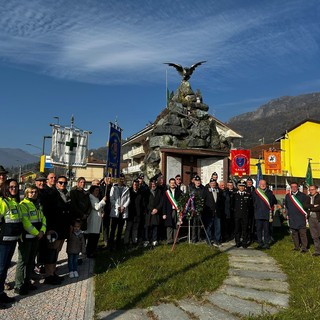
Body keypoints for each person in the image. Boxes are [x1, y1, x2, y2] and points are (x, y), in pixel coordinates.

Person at [14, 185, 46, 295]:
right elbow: (26, 222)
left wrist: (42, 231)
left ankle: (27, 283)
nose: (33, 194)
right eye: (31, 192)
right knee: (23, 261)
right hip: (27, 238)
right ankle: (18, 285)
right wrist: (37, 233)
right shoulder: (23, 205)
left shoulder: (38, 205)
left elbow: (43, 219)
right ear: (27, 193)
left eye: (35, 192)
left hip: (36, 238)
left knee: (31, 261)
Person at [43, 175, 71, 285]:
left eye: (65, 183)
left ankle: (53, 272)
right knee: (51, 251)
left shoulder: (66, 195)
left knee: (57, 251)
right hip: (54, 228)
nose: (63, 184)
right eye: (60, 182)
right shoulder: (51, 193)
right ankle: (48, 275)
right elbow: (47, 212)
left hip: (63, 227)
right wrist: (49, 228)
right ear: (56, 183)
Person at [0, 179, 23, 306]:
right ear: (6, 188)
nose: (14, 189)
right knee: (1, 268)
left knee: (4, 269)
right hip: (3, 242)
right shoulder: (2, 202)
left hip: (12, 241)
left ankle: (1, 293)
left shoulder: (15, 203)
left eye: (16, 187)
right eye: (11, 187)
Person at [252, 179, 277, 249]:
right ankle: (260, 243)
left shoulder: (270, 193)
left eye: (264, 184)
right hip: (258, 213)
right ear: (259, 185)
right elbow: (252, 202)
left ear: (266, 185)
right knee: (259, 229)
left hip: (267, 214)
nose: (263, 185)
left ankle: (266, 243)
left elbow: (274, 201)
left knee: (267, 229)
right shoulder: (255, 193)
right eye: (261, 184)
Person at [284, 182, 308, 253]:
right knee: (294, 233)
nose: (294, 188)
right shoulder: (288, 196)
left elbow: (306, 206)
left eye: (295, 186)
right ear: (290, 188)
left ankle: (304, 248)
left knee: (302, 233)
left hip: (301, 217)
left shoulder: (303, 195)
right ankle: (296, 246)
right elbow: (287, 206)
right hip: (292, 217)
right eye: (292, 187)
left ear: (297, 187)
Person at [109, 174, 130, 250]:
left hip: (123, 211)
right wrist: (117, 206)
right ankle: (110, 245)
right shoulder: (114, 188)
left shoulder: (126, 188)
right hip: (116, 211)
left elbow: (128, 199)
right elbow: (112, 199)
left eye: (123, 179)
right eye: (120, 179)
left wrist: (124, 206)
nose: (121, 180)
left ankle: (118, 245)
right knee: (113, 229)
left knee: (120, 229)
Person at [87, 185, 107, 257]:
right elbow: (96, 207)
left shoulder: (96, 198)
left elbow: (99, 208)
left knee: (95, 237)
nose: (97, 192)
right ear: (92, 191)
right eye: (96, 190)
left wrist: (102, 211)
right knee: (92, 238)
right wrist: (103, 201)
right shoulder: (90, 197)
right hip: (93, 220)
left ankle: (93, 251)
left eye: (98, 190)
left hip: (97, 219)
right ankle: (89, 252)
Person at [202, 179, 222, 246]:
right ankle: (209, 240)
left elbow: (220, 201)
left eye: (214, 183)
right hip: (209, 212)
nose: (213, 184)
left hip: (217, 212)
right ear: (209, 184)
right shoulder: (206, 191)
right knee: (209, 227)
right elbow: (203, 201)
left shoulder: (218, 190)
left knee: (218, 227)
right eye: (212, 183)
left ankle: (217, 240)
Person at [233, 180, 252, 248]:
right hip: (237, 215)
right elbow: (232, 205)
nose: (241, 187)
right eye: (240, 186)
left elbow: (250, 206)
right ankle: (237, 242)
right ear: (238, 186)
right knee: (237, 229)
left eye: (243, 186)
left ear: (245, 187)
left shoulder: (248, 195)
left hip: (245, 215)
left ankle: (244, 242)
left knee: (245, 229)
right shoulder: (235, 194)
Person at [163, 178, 182, 244]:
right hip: (169, 211)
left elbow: (181, 201)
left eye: (174, 183)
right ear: (169, 184)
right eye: (171, 183)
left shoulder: (179, 191)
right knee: (169, 225)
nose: (172, 184)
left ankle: (176, 239)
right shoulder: (166, 192)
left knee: (176, 225)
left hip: (177, 211)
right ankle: (169, 240)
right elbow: (164, 203)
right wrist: (164, 213)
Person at [144, 179, 163, 247]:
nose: (153, 185)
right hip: (149, 212)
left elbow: (161, 202)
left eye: (154, 184)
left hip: (156, 212)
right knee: (148, 226)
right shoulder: (147, 192)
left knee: (155, 226)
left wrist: (157, 209)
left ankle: (155, 240)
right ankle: (147, 240)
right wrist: (152, 209)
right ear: (150, 184)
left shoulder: (159, 192)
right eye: (152, 184)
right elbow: (145, 202)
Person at [124, 179, 143, 246]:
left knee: (135, 228)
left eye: (137, 185)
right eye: (135, 185)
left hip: (138, 213)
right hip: (130, 213)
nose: (136, 186)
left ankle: (134, 241)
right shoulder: (129, 191)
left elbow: (142, 203)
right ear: (132, 185)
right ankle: (126, 242)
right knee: (128, 228)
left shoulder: (140, 192)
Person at [304, 185, 320, 256]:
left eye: (312, 189)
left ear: (316, 190)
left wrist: (310, 208)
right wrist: (313, 206)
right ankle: (317, 251)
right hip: (310, 218)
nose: (311, 191)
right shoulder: (307, 197)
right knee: (314, 236)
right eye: (310, 190)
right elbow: (305, 205)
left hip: (318, 218)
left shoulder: (319, 197)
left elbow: (319, 208)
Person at [189, 175, 204, 243]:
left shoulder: (202, 189)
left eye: (199, 181)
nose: (198, 182)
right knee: (194, 224)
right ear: (194, 181)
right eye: (196, 181)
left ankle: (199, 237)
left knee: (200, 224)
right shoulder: (191, 188)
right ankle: (194, 238)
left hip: (200, 209)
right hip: (193, 209)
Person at [100, 174, 113, 248]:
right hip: (102, 208)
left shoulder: (112, 187)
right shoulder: (101, 186)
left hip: (110, 208)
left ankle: (107, 240)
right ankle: (103, 240)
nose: (109, 179)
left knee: (107, 225)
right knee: (102, 226)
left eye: (110, 178)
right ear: (104, 178)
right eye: (107, 178)